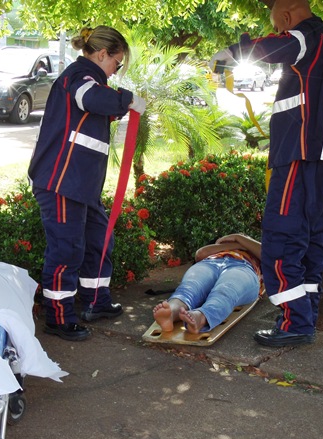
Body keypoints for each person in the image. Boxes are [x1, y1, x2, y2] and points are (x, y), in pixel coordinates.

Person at [216, 0, 323, 347]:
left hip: (300, 153)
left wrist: (232, 53)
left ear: (289, 15)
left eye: (279, 25)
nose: (280, 31)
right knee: (309, 241)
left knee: (281, 239)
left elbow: (276, 47)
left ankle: (295, 322)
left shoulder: (308, 35)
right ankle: (304, 315)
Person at [27, 26, 146, 341]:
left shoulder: (90, 80)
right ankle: (59, 317)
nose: (115, 71)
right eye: (116, 64)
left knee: (99, 240)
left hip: (81, 185)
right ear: (103, 54)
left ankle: (95, 302)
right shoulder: (80, 77)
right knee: (66, 249)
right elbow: (91, 97)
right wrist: (128, 100)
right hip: (61, 182)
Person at [153, 234, 262, 334]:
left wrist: (238, 237)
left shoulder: (255, 252)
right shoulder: (217, 251)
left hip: (243, 266)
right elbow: (200, 254)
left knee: (226, 290)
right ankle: (171, 312)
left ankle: (201, 317)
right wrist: (235, 244)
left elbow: (269, 256)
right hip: (211, 263)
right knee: (190, 287)